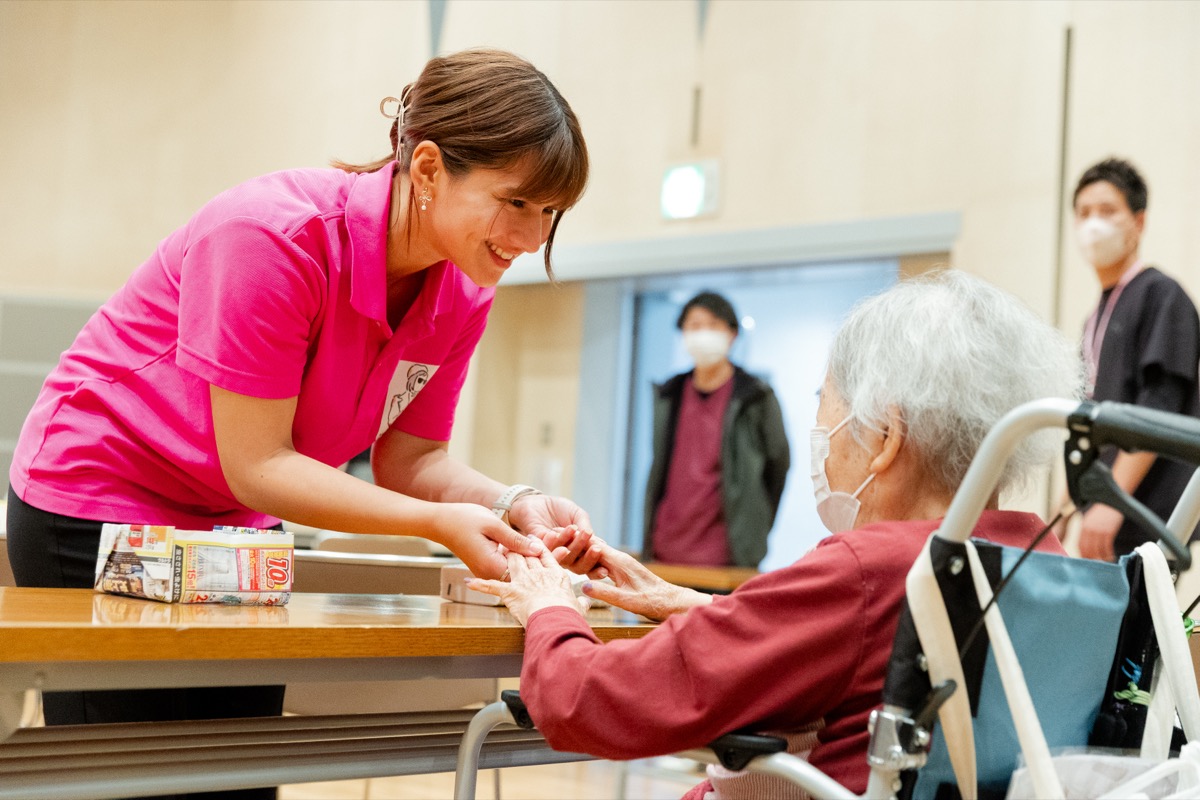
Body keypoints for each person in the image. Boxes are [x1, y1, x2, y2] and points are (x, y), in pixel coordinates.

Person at [6, 48, 601, 799]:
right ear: (426, 169)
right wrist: (441, 525)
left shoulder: (462, 291)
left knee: (240, 772)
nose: (529, 234)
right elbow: (259, 463)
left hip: (233, 520)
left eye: (550, 213)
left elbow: (411, 456)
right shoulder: (272, 236)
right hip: (100, 495)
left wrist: (507, 503)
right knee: (124, 776)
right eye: (515, 201)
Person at [469, 271, 1080, 799]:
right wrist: (689, 604)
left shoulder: (865, 572)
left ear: (886, 439)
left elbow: (589, 702)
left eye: (828, 412)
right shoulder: (1041, 562)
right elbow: (859, 650)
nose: (824, 441)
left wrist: (550, 606)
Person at [1070, 158, 1200, 562]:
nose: (1093, 224)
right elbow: (1087, 418)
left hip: (1147, 513)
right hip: (1106, 516)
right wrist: (1064, 508)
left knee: (1145, 622)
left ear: (1138, 222)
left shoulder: (1161, 296)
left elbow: (1159, 405)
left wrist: (1114, 503)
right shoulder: (1094, 316)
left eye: (1107, 211)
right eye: (1084, 213)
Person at [642, 291, 790, 568]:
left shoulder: (755, 396)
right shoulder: (669, 394)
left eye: (712, 325)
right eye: (694, 326)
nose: (702, 334)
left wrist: (754, 528)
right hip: (665, 551)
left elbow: (778, 466)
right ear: (683, 334)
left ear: (732, 334)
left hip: (728, 558)